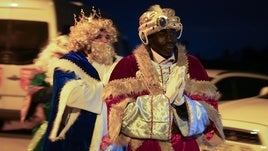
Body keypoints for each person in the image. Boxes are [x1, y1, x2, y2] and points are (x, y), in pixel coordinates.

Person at [102, 4, 225, 151]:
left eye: (173, 32)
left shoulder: (193, 64)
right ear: (146, 37)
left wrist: (183, 105)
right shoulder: (128, 66)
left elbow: (210, 116)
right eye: (162, 34)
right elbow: (118, 120)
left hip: (186, 147)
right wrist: (165, 99)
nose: (170, 39)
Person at [42, 8, 121, 151]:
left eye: (107, 37)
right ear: (85, 40)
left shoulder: (116, 64)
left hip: (109, 137)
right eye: (98, 37)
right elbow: (73, 95)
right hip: (76, 136)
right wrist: (112, 90)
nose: (104, 41)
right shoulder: (67, 64)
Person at [20, 35, 70, 151]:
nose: (59, 60)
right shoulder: (40, 77)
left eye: (63, 57)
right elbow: (35, 101)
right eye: (56, 55)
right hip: (44, 130)